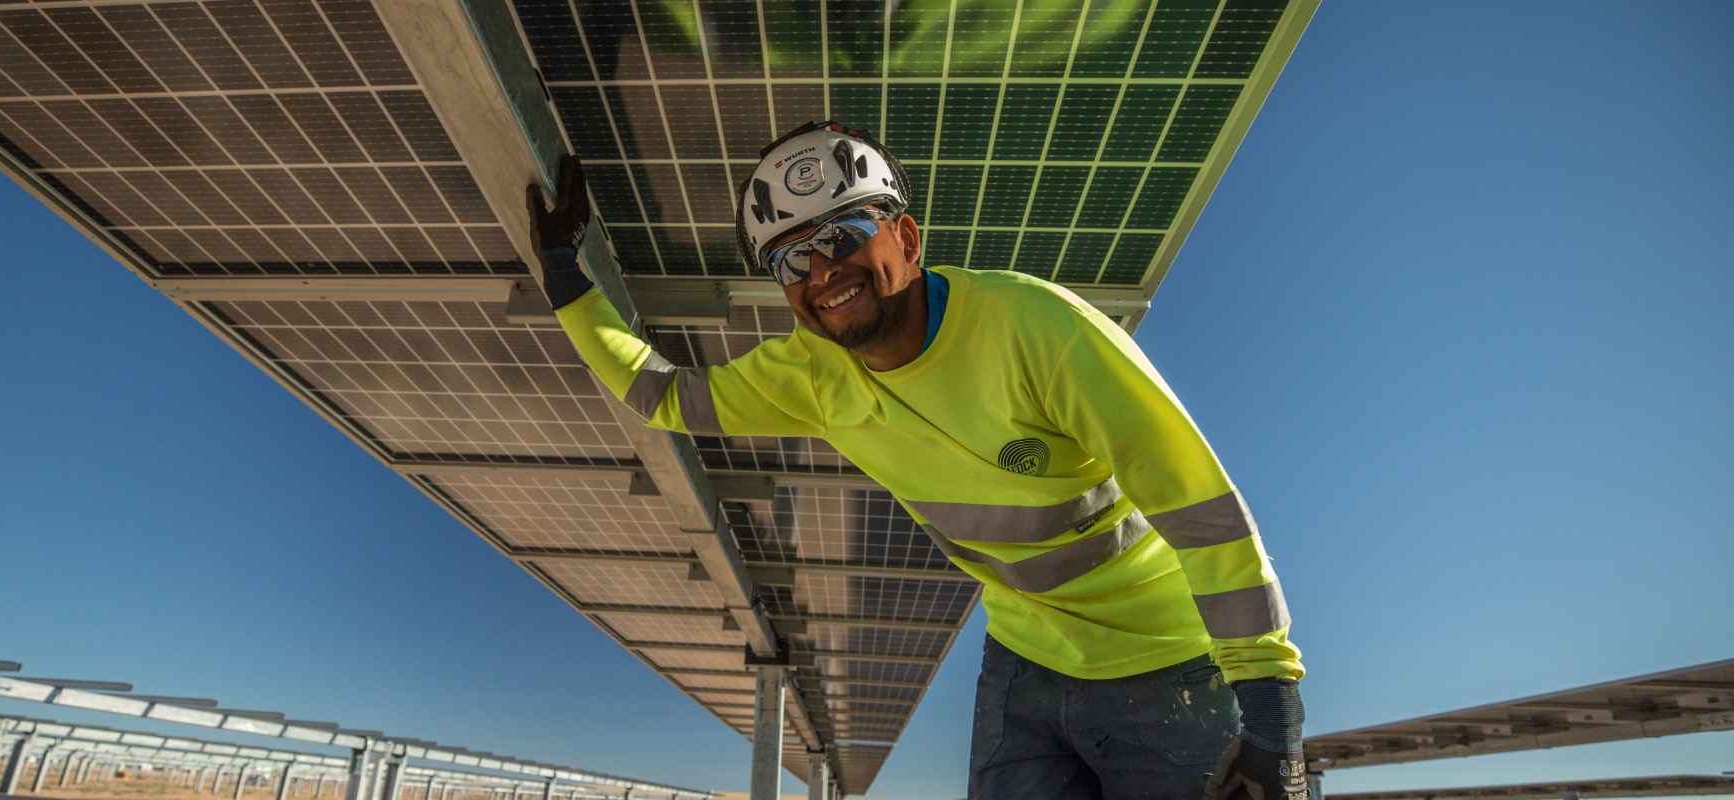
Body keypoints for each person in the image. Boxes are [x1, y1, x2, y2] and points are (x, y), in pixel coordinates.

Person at [528, 121, 1307, 800]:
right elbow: (666, 395)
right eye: (790, 261)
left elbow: (1198, 507)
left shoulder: (1035, 330)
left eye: (840, 235)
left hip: (1166, 666)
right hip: (1023, 665)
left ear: (904, 237)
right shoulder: (809, 376)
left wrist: (1273, 717)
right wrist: (567, 276)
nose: (822, 271)